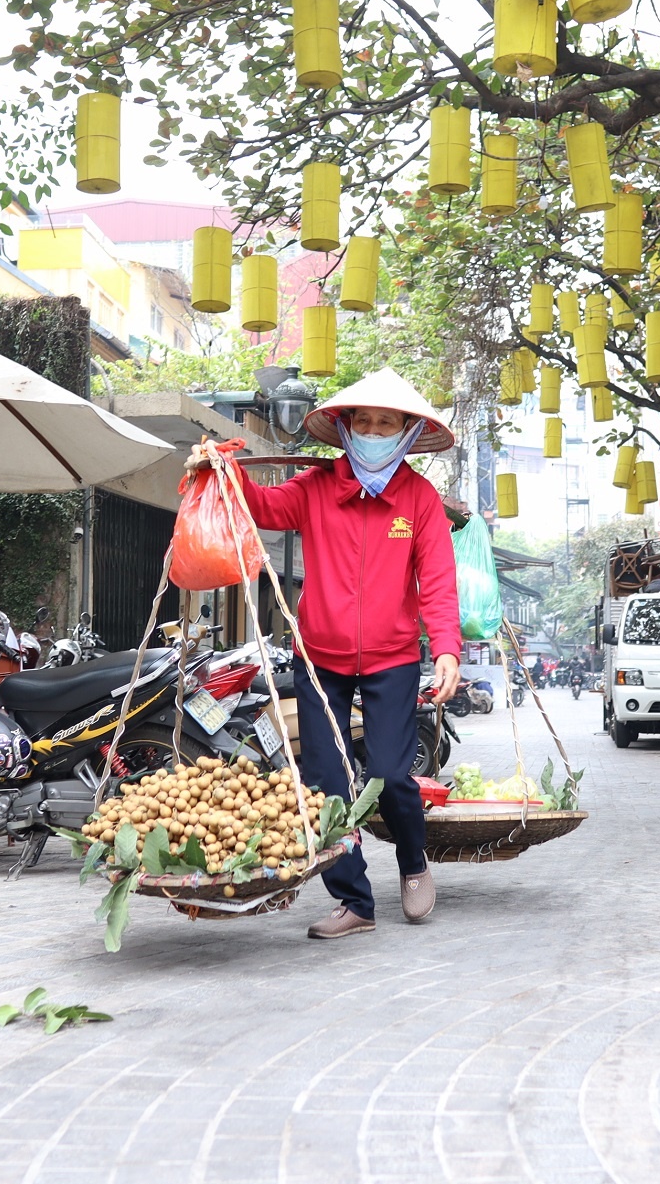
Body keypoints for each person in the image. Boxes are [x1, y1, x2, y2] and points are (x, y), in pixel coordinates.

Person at [196, 369, 460, 940]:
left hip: (392, 657)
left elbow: (438, 581)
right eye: (363, 421)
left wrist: (446, 649)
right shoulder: (316, 487)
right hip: (319, 657)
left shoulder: (419, 499)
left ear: (406, 432)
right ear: (345, 428)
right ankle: (354, 900)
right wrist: (225, 469)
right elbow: (263, 507)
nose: (373, 431)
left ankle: (413, 859)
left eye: (385, 423)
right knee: (325, 782)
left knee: (391, 775)